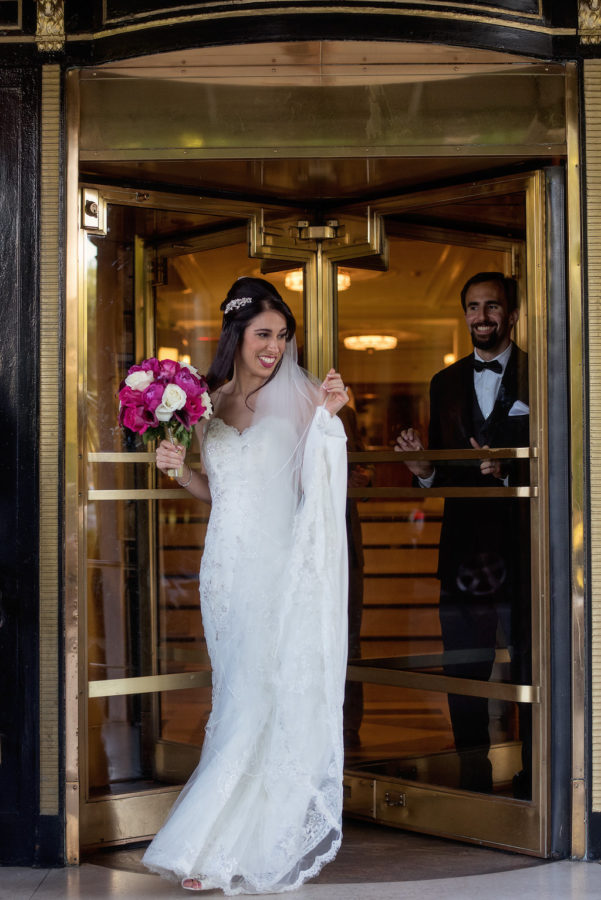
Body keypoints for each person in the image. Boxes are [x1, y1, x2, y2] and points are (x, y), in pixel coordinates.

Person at [142, 277, 349, 893]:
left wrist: (330, 422)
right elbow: (219, 492)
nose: (275, 349)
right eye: (264, 335)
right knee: (234, 696)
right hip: (224, 572)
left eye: (283, 337)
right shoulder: (201, 404)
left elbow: (318, 488)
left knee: (264, 699)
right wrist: (180, 473)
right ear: (236, 334)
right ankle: (217, 837)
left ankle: (229, 843)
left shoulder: (306, 396)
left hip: (280, 569)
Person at [395, 272, 531, 797]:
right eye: (473, 307)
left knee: (527, 663)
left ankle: (532, 776)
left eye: (492, 307)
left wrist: (509, 473)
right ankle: (472, 780)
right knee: (464, 668)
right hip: (462, 552)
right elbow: (446, 476)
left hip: (524, 550)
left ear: (511, 314)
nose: (481, 317)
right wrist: (423, 468)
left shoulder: (539, 374)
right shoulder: (444, 383)